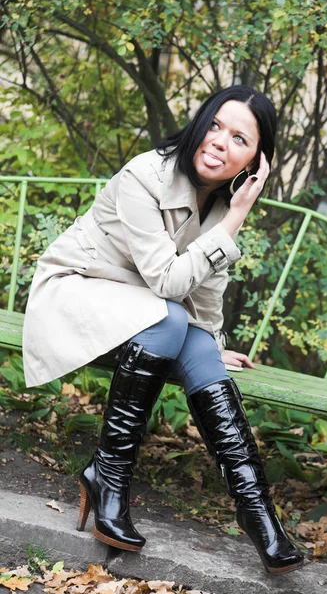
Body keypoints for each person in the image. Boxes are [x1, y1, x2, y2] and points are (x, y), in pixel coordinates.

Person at [22, 85, 304, 575]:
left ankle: (260, 517)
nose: (219, 141)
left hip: (140, 305)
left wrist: (213, 346)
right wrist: (235, 220)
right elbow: (170, 282)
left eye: (239, 138)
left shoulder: (219, 200)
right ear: (198, 125)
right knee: (171, 317)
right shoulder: (145, 175)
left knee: (197, 345)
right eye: (215, 124)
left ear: (255, 162)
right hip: (78, 289)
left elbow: (206, 293)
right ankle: (110, 478)